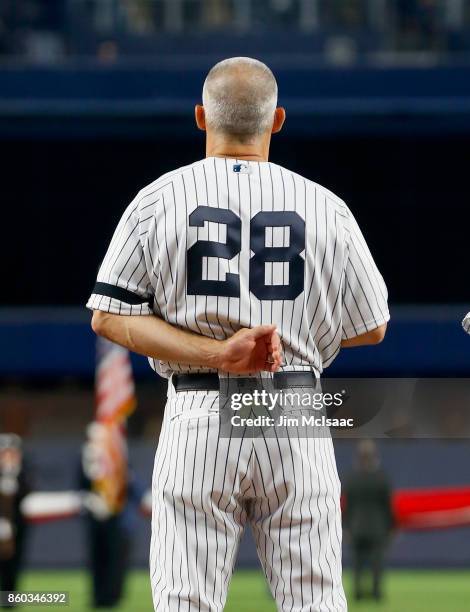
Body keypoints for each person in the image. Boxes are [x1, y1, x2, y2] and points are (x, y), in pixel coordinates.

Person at [88, 57, 389, 611]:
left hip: (199, 413)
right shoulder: (328, 208)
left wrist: (220, 353)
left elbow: (109, 316)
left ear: (201, 117)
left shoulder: (157, 201)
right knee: (316, 601)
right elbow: (372, 327)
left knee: (186, 602)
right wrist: (300, 336)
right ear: (277, 121)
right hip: (293, 406)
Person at [343, 440, 394, 601]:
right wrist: (391, 527)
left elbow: (346, 507)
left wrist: (346, 527)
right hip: (377, 528)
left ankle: (358, 593)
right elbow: (388, 506)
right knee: (377, 562)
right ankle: (376, 593)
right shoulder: (381, 477)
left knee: (357, 563)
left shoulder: (351, 478)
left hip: (357, 527)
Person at [0, 434, 31, 600]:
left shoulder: (23, 470)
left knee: (15, 560)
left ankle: (9, 599)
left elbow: (29, 491)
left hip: (17, 524)